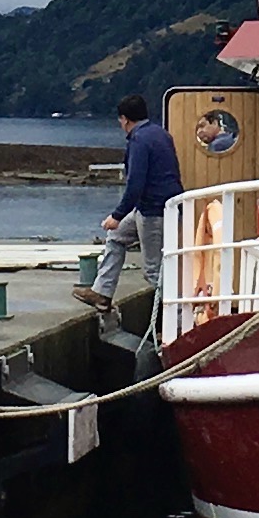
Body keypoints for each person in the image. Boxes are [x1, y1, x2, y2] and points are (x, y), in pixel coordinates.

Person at [96, 95, 182, 344]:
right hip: (157, 206)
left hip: (153, 210)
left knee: (154, 271)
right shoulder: (161, 134)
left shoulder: (139, 140)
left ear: (124, 119)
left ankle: (176, 324)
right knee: (116, 236)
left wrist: (117, 215)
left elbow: (135, 183)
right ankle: (102, 293)